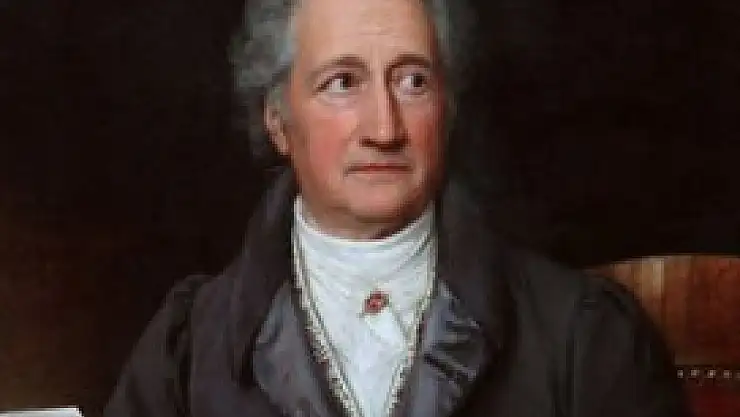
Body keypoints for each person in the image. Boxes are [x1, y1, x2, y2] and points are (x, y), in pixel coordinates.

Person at [104, 0, 690, 416]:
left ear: (446, 108)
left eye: (412, 81)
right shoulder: (187, 350)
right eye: (342, 83)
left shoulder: (582, 336)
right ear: (278, 120)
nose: (384, 129)